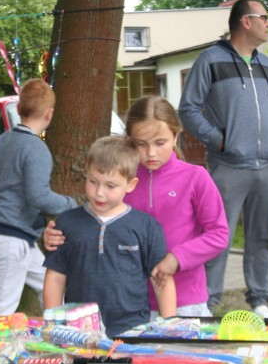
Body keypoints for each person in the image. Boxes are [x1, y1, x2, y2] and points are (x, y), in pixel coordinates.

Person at [45, 95, 229, 318]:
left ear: (175, 135)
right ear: (129, 139)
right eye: (141, 144)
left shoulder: (196, 177)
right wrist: (55, 235)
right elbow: (93, 221)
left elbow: (219, 234)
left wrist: (177, 259)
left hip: (184, 300)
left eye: (160, 143)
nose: (151, 153)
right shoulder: (120, 178)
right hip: (127, 305)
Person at [178, 0, 268, 319]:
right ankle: (207, 302)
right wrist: (221, 141)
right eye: (265, 18)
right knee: (215, 237)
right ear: (245, 21)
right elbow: (188, 109)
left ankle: (259, 299)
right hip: (228, 167)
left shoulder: (267, 63)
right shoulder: (210, 60)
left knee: (264, 237)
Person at [43, 136, 177, 338]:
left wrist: (169, 328)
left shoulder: (147, 227)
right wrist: (53, 327)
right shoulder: (66, 224)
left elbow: (162, 281)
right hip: (78, 332)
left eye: (110, 186)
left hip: (132, 331)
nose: (99, 193)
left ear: (130, 185)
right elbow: (55, 278)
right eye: (93, 181)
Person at [0, 78, 76, 315]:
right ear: (49, 114)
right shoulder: (36, 148)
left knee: (49, 285)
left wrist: (1, 197)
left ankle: (58, 335)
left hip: (7, 233)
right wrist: (70, 203)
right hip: (10, 235)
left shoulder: (2, 142)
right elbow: (38, 196)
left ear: (18, 109)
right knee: (1, 308)